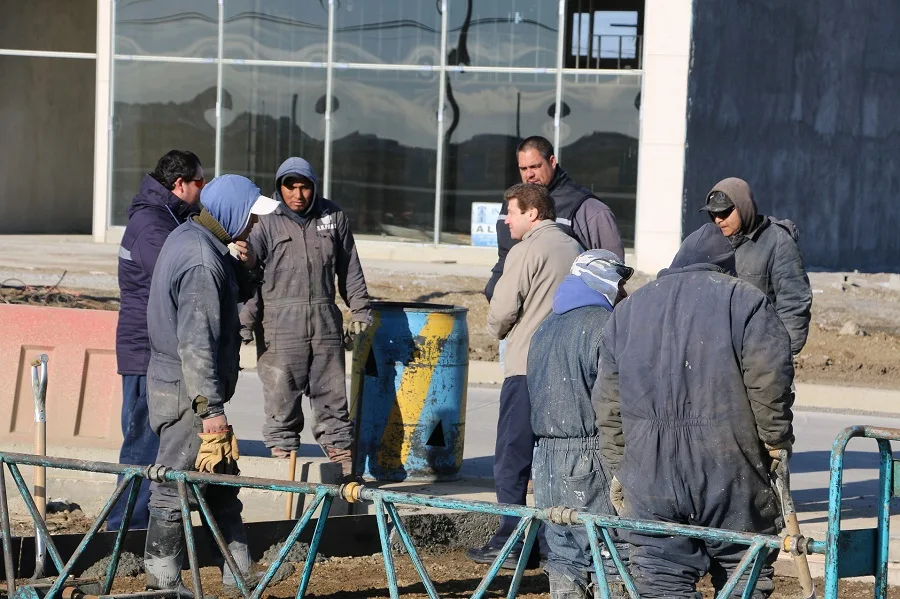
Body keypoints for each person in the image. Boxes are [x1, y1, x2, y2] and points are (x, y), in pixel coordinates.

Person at [595, 224, 795, 598]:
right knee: (742, 571)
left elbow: (607, 404)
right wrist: (776, 446)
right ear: (725, 265)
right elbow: (771, 385)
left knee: (661, 581)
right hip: (730, 471)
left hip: (650, 477)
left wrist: (620, 466)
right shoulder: (744, 301)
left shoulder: (629, 310)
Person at [143, 175, 279, 594]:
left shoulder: (192, 238)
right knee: (174, 486)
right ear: (234, 212)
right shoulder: (202, 260)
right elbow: (197, 342)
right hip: (189, 391)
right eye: (252, 217)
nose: (255, 226)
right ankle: (163, 582)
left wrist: (241, 268)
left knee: (219, 480)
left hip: (181, 385)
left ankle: (239, 576)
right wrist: (212, 410)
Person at [467, 183, 582, 568]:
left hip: (527, 367)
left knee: (512, 455)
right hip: (567, 371)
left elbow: (501, 311)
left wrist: (499, 329)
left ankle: (512, 537)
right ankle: (555, 540)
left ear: (533, 213)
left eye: (512, 212)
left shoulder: (525, 250)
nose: (507, 220)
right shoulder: (575, 248)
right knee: (555, 456)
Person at [239, 157, 372, 477]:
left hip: (325, 324)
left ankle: (342, 476)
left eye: (305, 187)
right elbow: (250, 277)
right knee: (281, 403)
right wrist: (244, 321)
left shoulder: (333, 216)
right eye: (290, 187)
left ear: (314, 186)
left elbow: (350, 269)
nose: (298, 194)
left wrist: (360, 311)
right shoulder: (264, 220)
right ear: (279, 186)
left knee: (333, 403)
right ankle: (285, 472)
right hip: (279, 329)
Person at [527, 250, 633, 599]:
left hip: (546, 461)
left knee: (564, 555)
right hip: (590, 456)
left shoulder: (544, 327)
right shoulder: (603, 326)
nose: (624, 295)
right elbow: (616, 402)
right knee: (612, 552)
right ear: (605, 283)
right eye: (620, 286)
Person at [110, 150, 204, 531]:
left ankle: (142, 522)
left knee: (151, 440)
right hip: (146, 350)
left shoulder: (166, 217)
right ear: (179, 184)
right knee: (143, 442)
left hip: (153, 347)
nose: (204, 190)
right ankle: (124, 529)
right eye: (200, 182)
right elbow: (175, 278)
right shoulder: (153, 226)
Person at [484, 135, 624, 301]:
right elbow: (505, 256)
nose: (529, 174)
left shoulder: (586, 208)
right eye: (523, 168)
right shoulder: (513, 202)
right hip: (509, 310)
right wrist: (493, 290)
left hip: (559, 313)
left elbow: (612, 269)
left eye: (535, 166)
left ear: (552, 161)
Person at [700, 177, 812, 355]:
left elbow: (794, 303)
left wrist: (780, 357)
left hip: (762, 354)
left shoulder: (778, 242)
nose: (718, 220)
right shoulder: (711, 244)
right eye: (714, 214)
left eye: (725, 213)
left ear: (743, 207)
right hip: (720, 355)